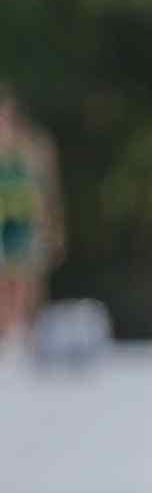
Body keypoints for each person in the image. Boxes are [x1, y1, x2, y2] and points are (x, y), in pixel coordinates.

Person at [0, 85, 66, 345]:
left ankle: (25, 330)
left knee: (27, 276)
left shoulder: (34, 146)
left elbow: (46, 190)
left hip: (25, 221)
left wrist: (54, 225)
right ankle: (9, 329)